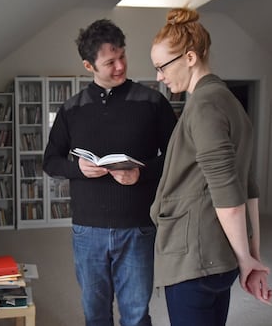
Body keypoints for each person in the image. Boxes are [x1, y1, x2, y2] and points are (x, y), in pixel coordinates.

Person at [43, 19, 177, 326]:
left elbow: (177, 158)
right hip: (87, 230)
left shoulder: (153, 102)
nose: (120, 67)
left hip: (137, 226)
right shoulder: (71, 109)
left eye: (123, 57)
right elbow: (50, 161)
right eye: (109, 62)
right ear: (89, 65)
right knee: (95, 313)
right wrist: (77, 168)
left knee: (135, 313)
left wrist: (140, 174)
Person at [149, 7, 272, 326]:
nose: (159, 76)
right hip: (219, 256)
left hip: (196, 256)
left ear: (190, 57)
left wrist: (247, 259)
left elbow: (230, 197)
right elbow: (250, 187)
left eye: (162, 66)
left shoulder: (204, 105)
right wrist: (251, 255)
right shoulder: (229, 101)